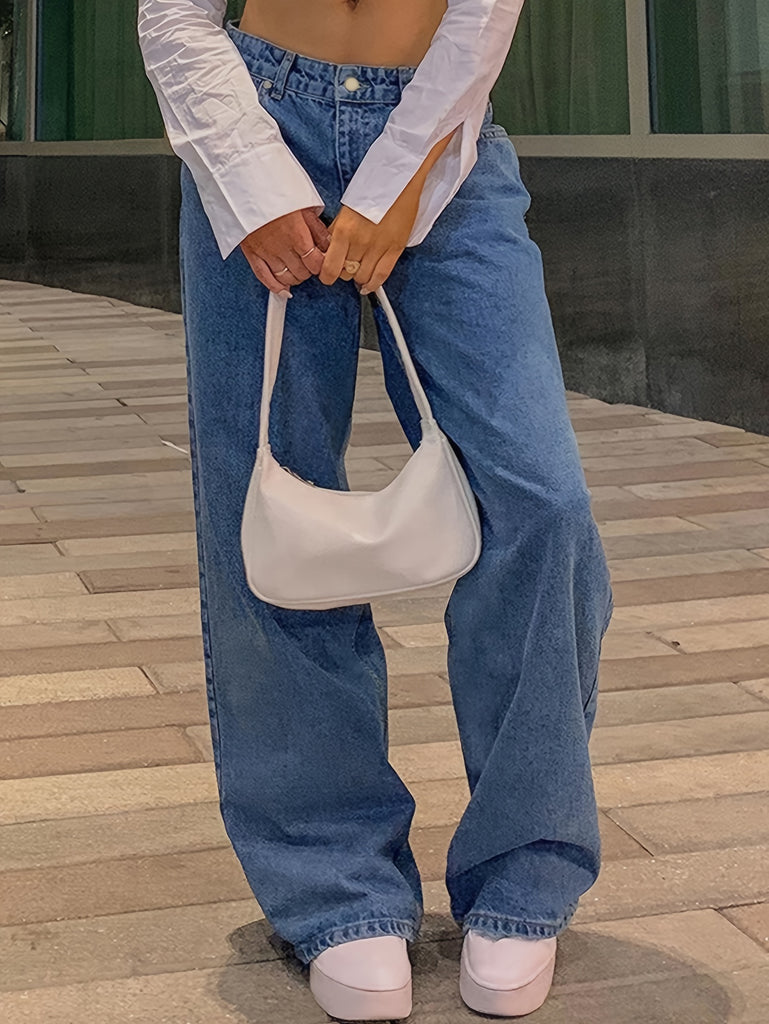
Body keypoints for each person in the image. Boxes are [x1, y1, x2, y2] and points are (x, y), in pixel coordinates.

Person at [137, 1, 615, 1018]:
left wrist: (398, 177)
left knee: (540, 504)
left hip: (443, 133)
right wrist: (251, 178)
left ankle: (526, 867)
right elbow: (172, 9)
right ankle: (333, 881)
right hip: (260, 116)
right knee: (267, 512)